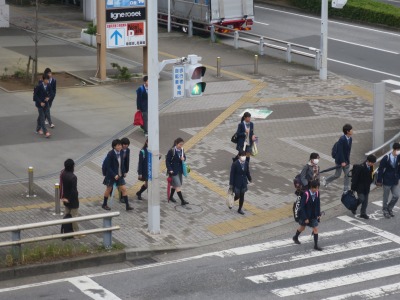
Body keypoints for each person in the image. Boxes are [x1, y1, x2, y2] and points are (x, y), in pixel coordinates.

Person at [102, 139, 133, 211]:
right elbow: (108, 167)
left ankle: (127, 206)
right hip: (111, 175)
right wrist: (114, 175)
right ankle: (104, 204)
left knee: (124, 189)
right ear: (114, 146)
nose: (120, 147)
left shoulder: (121, 152)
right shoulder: (110, 154)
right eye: (118, 145)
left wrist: (124, 172)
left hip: (119, 175)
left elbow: (122, 164)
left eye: (120, 145)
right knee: (108, 189)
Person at [293, 180, 323, 251]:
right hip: (305, 215)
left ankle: (316, 245)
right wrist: (305, 218)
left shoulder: (317, 193)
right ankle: (295, 237)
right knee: (302, 228)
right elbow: (302, 207)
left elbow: (318, 204)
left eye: (318, 188)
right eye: (316, 188)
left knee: (315, 229)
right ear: (312, 188)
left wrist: (318, 214)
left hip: (313, 215)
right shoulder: (306, 194)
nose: (317, 190)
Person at [323, 124, 353, 191]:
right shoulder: (342, 139)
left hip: (347, 161)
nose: (352, 131)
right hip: (340, 161)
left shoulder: (350, 139)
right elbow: (340, 151)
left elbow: (348, 151)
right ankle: (326, 180)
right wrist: (342, 161)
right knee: (337, 175)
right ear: (348, 131)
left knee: (347, 175)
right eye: (351, 130)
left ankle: (346, 189)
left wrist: (347, 160)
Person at [376, 142, 400, 219]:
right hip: (387, 180)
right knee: (385, 197)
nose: (398, 152)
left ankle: (389, 208)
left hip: (395, 180)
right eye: (398, 150)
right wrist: (379, 180)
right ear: (394, 149)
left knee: (396, 196)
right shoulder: (386, 158)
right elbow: (380, 169)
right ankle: (385, 210)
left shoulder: (399, 157)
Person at [351, 154, 377, 219]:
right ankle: (353, 207)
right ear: (368, 161)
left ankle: (363, 213)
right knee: (361, 198)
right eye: (372, 163)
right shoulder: (361, 167)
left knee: (365, 201)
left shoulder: (371, 167)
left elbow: (372, 175)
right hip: (360, 187)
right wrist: (353, 188)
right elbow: (355, 178)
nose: (373, 164)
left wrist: (372, 181)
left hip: (367, 186)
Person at [166, 137, 189, 206]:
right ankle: (182, 201)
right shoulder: (171, 151)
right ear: (176, 143)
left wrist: (183, 158)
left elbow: (184, 157)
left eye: (182, 144)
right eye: (180, 144)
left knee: (176, 185)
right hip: (173, 171)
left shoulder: (182, 150)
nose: (181, 146)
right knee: (178, 185)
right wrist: (170, 169)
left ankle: (170, 197)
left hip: (179, 170)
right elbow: (167, 161)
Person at [229, 150, 252, 215]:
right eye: (242, 155)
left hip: (243, 182)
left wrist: (249, 178)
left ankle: (239, 209)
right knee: (237, 195)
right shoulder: (235, 164)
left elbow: (247, 172)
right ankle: (231, 201)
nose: (243, 157)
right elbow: (232, 174)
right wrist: (231, 184)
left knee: (242, 196)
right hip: (237, 183)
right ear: (239, 156)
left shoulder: (246, 163)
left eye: (244, 155)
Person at [60, 159, 80, 234]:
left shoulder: (63, 173)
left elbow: (62, 186)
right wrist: (70, 199)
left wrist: (64, 198)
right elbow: (73, 191)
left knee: (67, 214)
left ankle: (66, 230)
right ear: (72, 167)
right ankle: (76, 233)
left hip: (65, 198)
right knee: (74, 216)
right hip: (72, 200)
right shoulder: (73, 177)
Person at [34, 73, 52, 138]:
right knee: (42, 117)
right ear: (43, 80)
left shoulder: (49, 85)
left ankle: (38, 129)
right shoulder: (39, 86)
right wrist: (40, 102)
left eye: (48, 80)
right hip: (40, 104)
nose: (48, 81)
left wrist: (48, 97)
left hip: (46, 104)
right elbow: (35, 96)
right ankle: (46, 132)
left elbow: (51, 93)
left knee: (42, 117)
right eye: (47, 80)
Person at [119, 137, 130, 203]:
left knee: (121, 184)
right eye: (124, 144)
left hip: (124, 169)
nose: (125, 145)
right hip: (118, 169)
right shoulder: (119, 151)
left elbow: (127, 161)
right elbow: (121, 163)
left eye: (127, 144)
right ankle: (121, 197)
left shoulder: (128, 150)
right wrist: (123, 172)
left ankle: (121, 196)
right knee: (121, 184)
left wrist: (126, 170)